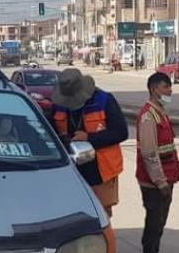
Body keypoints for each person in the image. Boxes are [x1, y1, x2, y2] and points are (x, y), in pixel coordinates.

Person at [51, 68, 127, 216]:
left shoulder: (104, 101)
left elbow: (121, 132)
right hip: (70, 171)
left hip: (100, 171)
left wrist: (89, 138)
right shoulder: (59, 104)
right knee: (74, 215)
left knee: (101, 214)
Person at [135, 72, 179, 253]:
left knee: (160, 221)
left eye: (170, 87)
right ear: (154, 89)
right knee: (154, 222)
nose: (169, 91)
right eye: (166, 87)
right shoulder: (148, 116)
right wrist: (160, 181)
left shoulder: (160, 112)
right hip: (154, 181)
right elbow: (149, 153)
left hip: (166, 177)